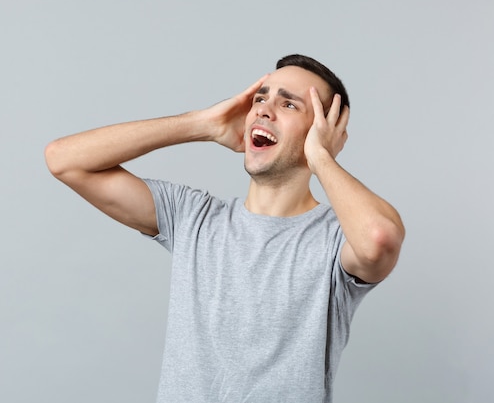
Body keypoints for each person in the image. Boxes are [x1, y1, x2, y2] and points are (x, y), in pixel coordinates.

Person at [45, 54, 405, 403]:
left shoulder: (335, 240)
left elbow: (379, 238)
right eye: (260, 98)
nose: (263, 108)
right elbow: (64, 160)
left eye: (289, 105)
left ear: (323, 131)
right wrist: (203, 124)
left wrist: (322, 157)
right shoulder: (193, 217)